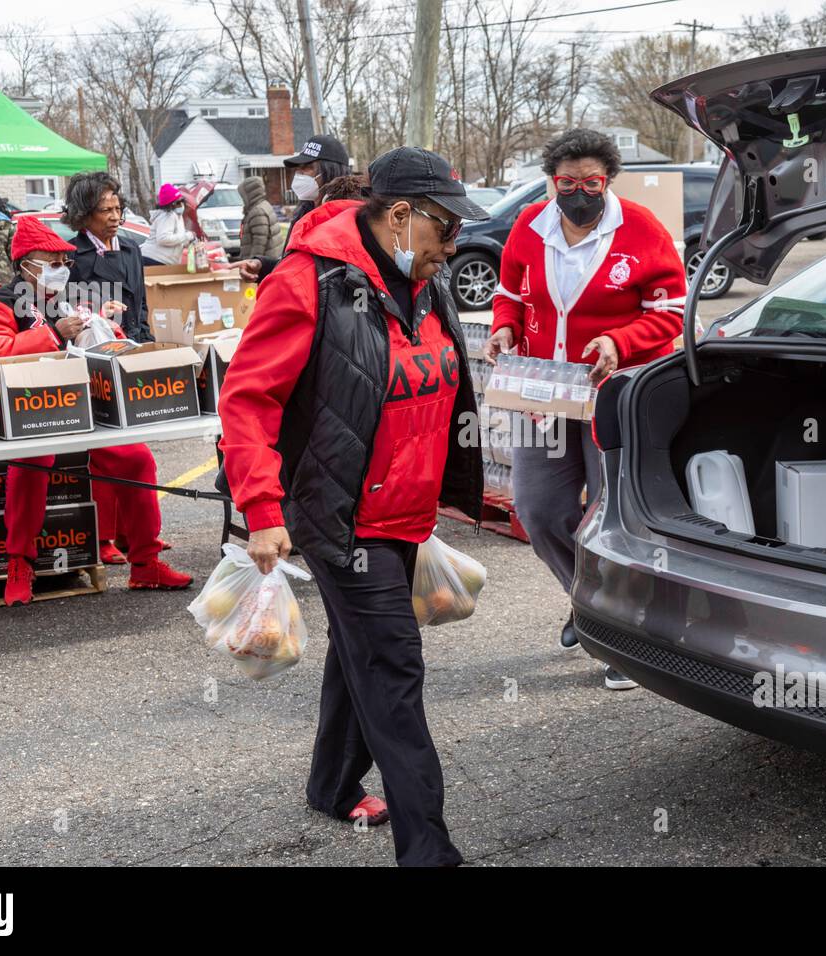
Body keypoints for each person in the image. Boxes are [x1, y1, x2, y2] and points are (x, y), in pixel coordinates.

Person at [219, 146, 489, 867]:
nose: (454, 246)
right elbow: (248, 399)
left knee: (361, 653)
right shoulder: (309, 283)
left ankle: (333, 785)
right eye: (445, 229)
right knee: (393, 668)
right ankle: (429, 852)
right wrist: (262, 507)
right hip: (342, 517)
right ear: (400, 216)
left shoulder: (421, 279)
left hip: (406, 513)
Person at [484, 128, 686, 690]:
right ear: (552, 181)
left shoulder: (641, 229)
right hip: (545, 394)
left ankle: (619, 639)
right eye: (566, 182)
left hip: (613, 395)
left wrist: (620, 341)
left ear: (607, 182)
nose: (577, 192)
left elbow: (672, 308)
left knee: (610, 516)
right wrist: (504, 328)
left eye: (590, 182)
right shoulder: (530, 225)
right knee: (539, 508)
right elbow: (510, 291)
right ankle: (590, 603)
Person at [0, 214, 193, 605]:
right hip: (29, 417)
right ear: (24, 264)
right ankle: (20, 563)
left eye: (64, 263)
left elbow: (109, 347)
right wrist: (52, 335)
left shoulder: (72, 301)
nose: (60, 270)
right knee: (32, 463)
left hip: (83, 410)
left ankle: (145, 563)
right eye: (50, 262)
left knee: (135, 458)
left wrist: (107, 327)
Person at [237, 134, 352, 284]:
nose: (299, 174)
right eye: (298, 168)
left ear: (330, 171)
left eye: (307, 167)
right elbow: (293, 266)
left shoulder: (348, 217)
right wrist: (262, 265)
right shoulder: (304, 213)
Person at [63, 172, 152, 343]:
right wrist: (98, 313)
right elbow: (65, 311)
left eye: (118, 209)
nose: (115, 217)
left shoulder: (132, 249)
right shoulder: (71, 256)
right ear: (84, 215)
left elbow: (141, 305)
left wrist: (147, 340)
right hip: (101, 346)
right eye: (106, 210)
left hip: (137, 343)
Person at [141, 183, 193, 268]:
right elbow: (163, 238)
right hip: (154, 260)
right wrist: (187, 236)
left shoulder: (177, 216)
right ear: (170, 205)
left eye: (181, 201)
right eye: (177, 202)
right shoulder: (168, 216)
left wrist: (188, 240)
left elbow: (176, 239)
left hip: (158, 260)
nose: (181, 205)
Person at [237, 175, 283, 261]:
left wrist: (251, 263)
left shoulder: (257, 212)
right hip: (270, 259)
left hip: (262, 266)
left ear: (250, 194)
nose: (242, 198)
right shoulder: (263, 205)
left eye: (243, 195)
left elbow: (259, 243)